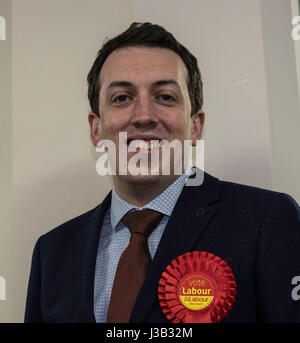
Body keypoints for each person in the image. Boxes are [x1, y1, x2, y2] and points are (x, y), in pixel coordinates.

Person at [24, 22, 300, 323]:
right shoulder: (51, 252)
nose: (144, 116)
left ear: (195, 125)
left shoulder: (269, 220)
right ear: (96, 128)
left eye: (165, 97)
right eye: (122, 98)